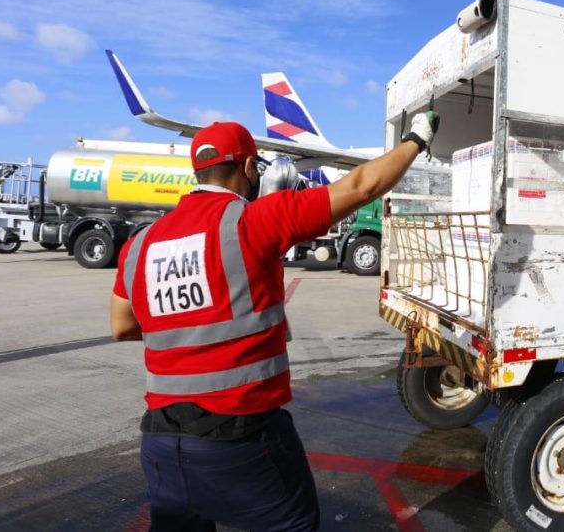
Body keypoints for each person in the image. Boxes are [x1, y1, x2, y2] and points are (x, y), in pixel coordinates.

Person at [110, 112, 440, 531]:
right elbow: (362, 186)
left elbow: (121, 325)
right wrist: (415, 139)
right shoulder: (253, 221)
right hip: (239, 440)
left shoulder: (141, 243)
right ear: (248, 168)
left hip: (161, 443)